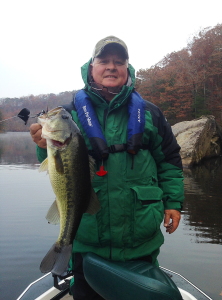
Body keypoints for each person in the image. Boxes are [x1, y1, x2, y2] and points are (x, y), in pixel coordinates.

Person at [30, 36, 184, 300]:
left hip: (140, 241)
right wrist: (43, 146)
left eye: (118, 61)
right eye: (104, 61)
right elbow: (57, 162)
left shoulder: (150, 114)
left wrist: (173, 202)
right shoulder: (70, 115)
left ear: (127, 69)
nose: (111, 67)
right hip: (88, 239)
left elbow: (169, 161)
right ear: (92, 67)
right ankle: (64, 248)